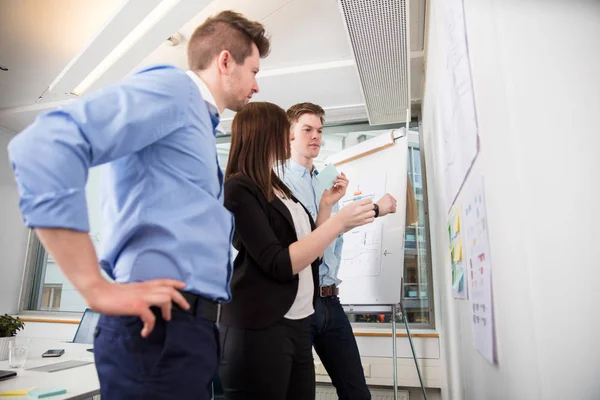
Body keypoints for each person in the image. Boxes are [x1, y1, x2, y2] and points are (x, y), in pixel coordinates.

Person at [7, 10, 270, 399]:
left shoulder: (197, 124)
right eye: (254, 71)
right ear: (225, 61)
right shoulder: (175, 91)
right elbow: (44, 145)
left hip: (185, 330)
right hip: (157, 329)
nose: (256, 86)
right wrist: (95, 288)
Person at [219, 102, 376, 400]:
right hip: (266, 322)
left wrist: (328, 207)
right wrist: (339, 222)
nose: (288, 139)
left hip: (297, 320)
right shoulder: (240, 187)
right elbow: (278, 261)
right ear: (264, 134)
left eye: (319, 130)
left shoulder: (276, 187)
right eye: (285, 131)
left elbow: (311, 252)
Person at [280, 102, 398, 400]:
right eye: (307, 129)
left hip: (331, 301)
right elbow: (306, 238)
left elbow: (335, 229)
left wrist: (368, 210)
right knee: (298, 393)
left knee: (357, 393)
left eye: (320, 130)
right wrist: (376, 208)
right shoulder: (277, 181)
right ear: (289, 135)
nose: (316, 136)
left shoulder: (325, 179)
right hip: (297, 301)